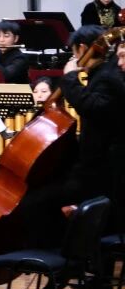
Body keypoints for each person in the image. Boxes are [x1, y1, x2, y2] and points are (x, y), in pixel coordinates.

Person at [22, 25, 125, 246]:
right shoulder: (103, 73)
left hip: (101, 173)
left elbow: (92, 107)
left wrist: (69, 78)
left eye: (74, 51)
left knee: (33, 203)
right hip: (96, 167)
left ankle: (56, 255)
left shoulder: (108, 77)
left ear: (82, 48)